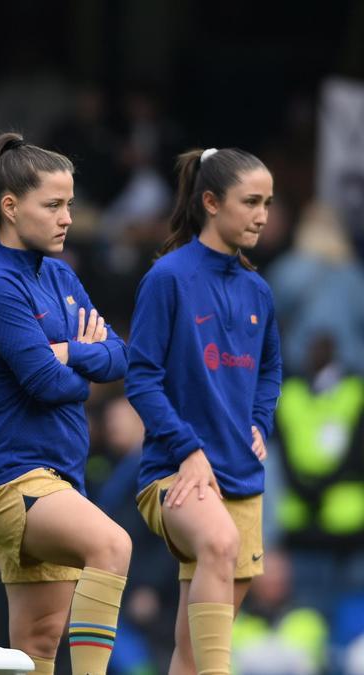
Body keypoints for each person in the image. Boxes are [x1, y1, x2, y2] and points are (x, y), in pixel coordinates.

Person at [0, 133, 131, 675]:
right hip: (11, 478)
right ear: (10, 207)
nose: (67, 218)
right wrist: (80, 363)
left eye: (69, 205)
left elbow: (120, 356)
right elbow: (49, 385)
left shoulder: (58, 273)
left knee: (38, 642)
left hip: (57, 475)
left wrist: (67, 351)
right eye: (52, 205)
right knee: (112, 546)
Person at [126, 147, 282, 675]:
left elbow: (270, 370)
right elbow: (140, 377)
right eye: (251, 201)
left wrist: (260, 420)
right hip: (177, 472)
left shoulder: (259, 289)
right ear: (211, 202)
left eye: (268, 202)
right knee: (218, 540)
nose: (263, 214)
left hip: (242, 477)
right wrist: (188, 450)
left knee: (191, 654)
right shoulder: (167, 278)